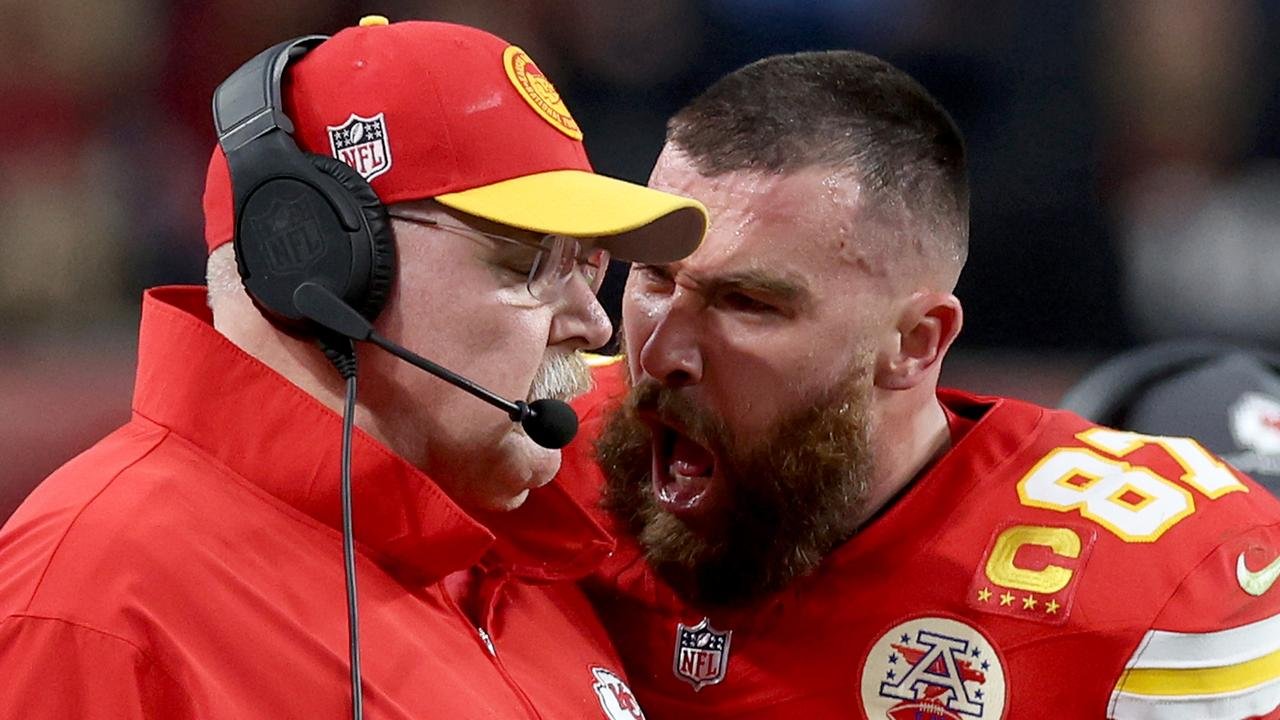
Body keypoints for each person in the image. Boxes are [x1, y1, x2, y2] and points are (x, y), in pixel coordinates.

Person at [0, 17, 706, 719]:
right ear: (318, 263)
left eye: (586, 264)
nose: (596, 321)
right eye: (529, 264)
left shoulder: (520, 560)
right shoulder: (94, 604)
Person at [561, 51, 1280, 719]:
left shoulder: (1156, 589)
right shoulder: (523, 458)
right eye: (654, 278)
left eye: (746, 303)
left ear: (914, 343)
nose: (661, 352)